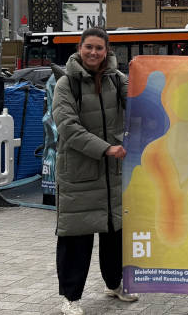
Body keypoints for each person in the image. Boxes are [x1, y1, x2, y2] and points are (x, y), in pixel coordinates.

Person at [52, 27, 138, 315]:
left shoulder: (117, 80)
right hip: (79, 172)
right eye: (88, 47)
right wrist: (106, 148)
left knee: (115, 232)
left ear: (107, 50)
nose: (93, 53)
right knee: (76, 237)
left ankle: (114, 284)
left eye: (99, 48)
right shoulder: (67, 84)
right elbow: (68, 128)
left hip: (113, 172)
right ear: (79, 48)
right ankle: (70, 297)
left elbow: (144, 99)